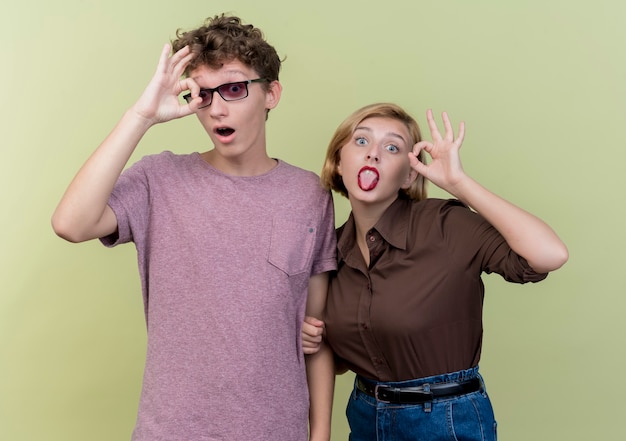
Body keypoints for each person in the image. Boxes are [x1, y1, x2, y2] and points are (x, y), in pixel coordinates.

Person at [51, 14, 337, 441]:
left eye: (234, 89)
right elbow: (70, 223)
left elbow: (316, 332)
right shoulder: (159, 179)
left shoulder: (309, 194)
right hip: (171, 431)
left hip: (277, 430)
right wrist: (141, 115)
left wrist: (320, 435)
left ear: (271, 93)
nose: (217, 108)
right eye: (203, 94)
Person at [302, 103, 569, 440]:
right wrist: (311, 338)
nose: (373, 155)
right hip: (366, 417)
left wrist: (459, 183)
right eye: (361, 141)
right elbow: (346, 355)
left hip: (446, 422)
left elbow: (550, 254)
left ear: (409, 174)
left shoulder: (446, 225)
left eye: (392, 147)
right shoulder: (331, 251)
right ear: (338, 161)